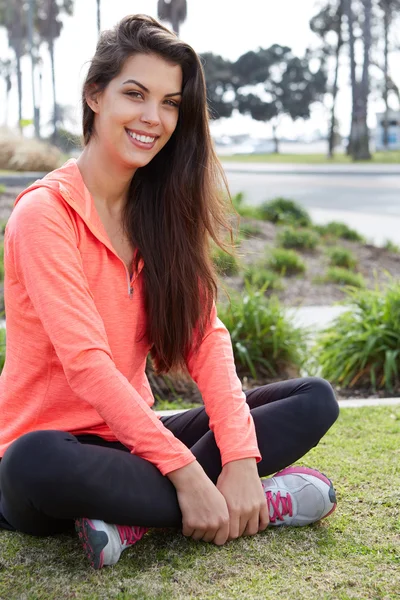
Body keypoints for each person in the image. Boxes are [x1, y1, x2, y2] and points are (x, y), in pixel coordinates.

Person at [0, 14, 340, 570]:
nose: (153, 118)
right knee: (33, 460)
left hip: (135, 440)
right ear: (94, 96)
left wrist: (238, 457)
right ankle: (258, 505)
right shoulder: (45, 213)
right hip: (55, 451)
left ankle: (135, 519)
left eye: (171, 102)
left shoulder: (158, 212)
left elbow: (206, 336)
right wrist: (187, 473)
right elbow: (87, 365)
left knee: (313, 399)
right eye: (135, 94)